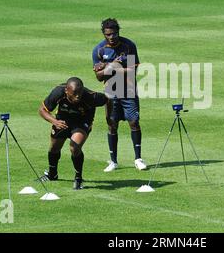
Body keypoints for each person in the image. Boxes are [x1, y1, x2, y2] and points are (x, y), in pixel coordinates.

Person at [92, 18, 147, 172]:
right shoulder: (99, 50)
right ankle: (113, 161)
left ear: (118, 32)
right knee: (112, 125)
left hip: (128, 90)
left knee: (134, 122)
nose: (112, 37)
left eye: (114, 33)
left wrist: (110, 67)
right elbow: (98, 77)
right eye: (108, 34)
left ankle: (138, 158)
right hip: (110, 92)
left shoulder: (128, 46)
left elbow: (132, 71)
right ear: (104, 34)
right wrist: (111, 68)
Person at [38, 77, 107, 189]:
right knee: (54, 148)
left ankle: (78, 178)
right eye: (74, 93)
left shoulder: (90, 96)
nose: (78, 96)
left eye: (79, 93)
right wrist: (55, 121)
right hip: (62, 120)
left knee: (74, 147)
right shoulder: (58, 92)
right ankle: (52, 174)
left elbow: (108, 99)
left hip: (82, 122)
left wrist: (110, 118)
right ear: (66, 90)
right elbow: (42, 110)